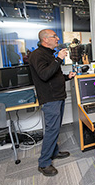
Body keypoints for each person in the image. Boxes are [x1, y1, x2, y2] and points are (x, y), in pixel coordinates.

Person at [28, 29, 76, 177]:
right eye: (54, 36)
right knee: (51, 130)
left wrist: (67, 77)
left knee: (55, 128)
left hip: (57, 96)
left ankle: (53, 152)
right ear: (45, 39)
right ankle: (44, 163)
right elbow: (44, 75)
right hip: (50, 99)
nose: (57, 38)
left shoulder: (49, 54)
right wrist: (59, 59)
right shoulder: (37, 55)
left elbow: (53, 74)